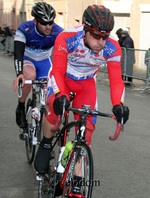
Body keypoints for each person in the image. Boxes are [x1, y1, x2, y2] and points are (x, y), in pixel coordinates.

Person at [34, 5, 130, 195]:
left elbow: (116, 80)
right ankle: (46, 144)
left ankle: (77, 180)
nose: (101, 42)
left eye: (105, 36)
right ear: (85, 30)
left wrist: (118, 105)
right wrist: (60, 95)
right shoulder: (67, 38)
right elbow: (58, 71)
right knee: (55, 117)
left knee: (85, 132)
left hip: (86, 83)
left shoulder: (112, 47)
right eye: (95, 36)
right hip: (63, 79)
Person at [12, 2, 63, 129]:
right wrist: (19, 74)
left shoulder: (58, 31)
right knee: (30, 75)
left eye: (50, 23)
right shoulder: (25, 28)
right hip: (27, 59)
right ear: (35, 21)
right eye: (44, 23)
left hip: (45, 61)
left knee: (48, 92)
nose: (48, 27)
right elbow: (18, 52)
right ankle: (21, 106)